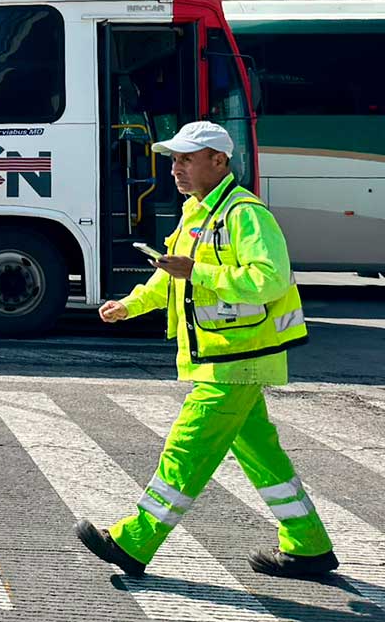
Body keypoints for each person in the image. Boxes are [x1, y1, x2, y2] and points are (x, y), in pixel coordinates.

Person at [79, 121, 339, 580]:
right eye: (174, 160)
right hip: (224, 358)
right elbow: (170, 277)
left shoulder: (245, 214)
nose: (175, 168)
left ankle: (134, 542)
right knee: (262, 456)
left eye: (186, 159)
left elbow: (270, 279)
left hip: (237, 359)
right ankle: (309, 545)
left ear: (219, 161)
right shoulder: (196, 213)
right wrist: (130, 305)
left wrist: (196, 272)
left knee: (186, 449)